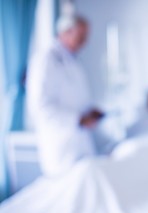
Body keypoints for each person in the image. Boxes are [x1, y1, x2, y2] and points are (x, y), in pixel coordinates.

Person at [27, 15, 105, 176]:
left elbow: (76, 99)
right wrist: (79, 119)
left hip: (79, 144)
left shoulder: (73, 61)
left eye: (86, 36)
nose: (85, 41)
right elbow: (41, 107)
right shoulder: (45, 60)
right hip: (61, 145)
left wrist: (90, 113)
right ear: (65, 32)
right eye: (81, 36)